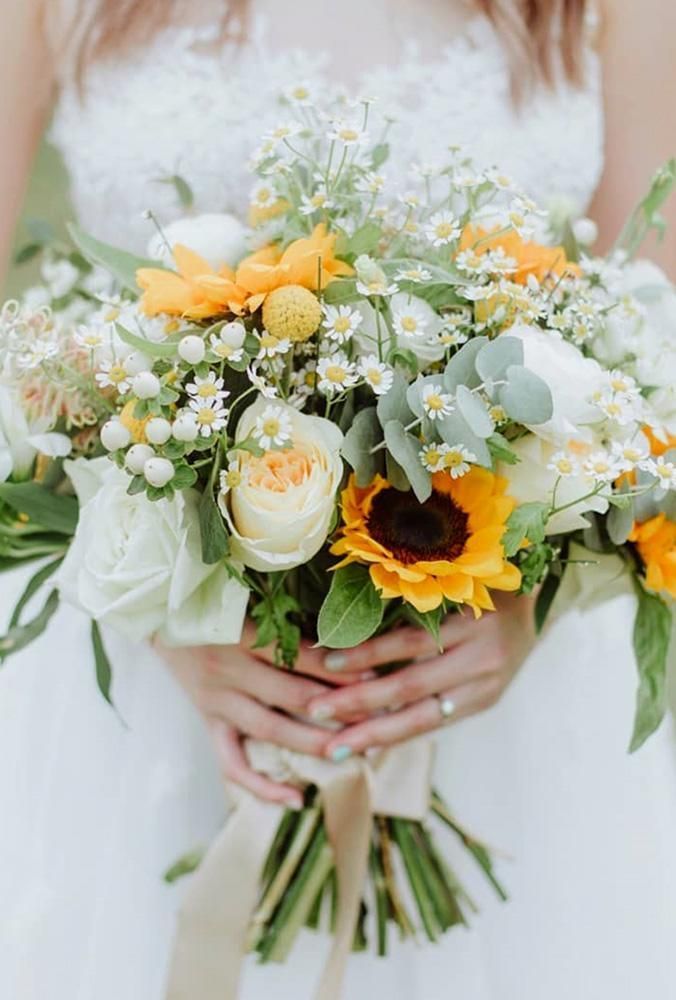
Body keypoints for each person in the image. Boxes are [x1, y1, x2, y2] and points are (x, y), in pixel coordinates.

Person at [1, 1, 676, 998]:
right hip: (148, 693)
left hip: (499, 689)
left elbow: (651, 346)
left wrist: (535, 603)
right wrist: (161, 598)